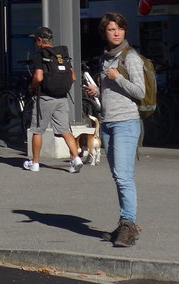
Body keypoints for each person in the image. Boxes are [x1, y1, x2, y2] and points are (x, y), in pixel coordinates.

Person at [84, 12, 146, 247]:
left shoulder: (130, 58)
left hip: (126, 123)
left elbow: (139, 92)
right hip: (109, 122)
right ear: (105, 33)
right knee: (118, 176)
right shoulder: (106, 58)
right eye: (111, 29)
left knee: (123, 176)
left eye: (120, 28)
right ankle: (124, 223)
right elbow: (112, 90)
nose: (116, 33)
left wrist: (118, 78)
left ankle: (128, 225)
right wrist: (98, 92)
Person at [23, 26, 82, 174]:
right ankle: (76, 158)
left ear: (40, 40)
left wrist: (33, 88)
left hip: (45, 97)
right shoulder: (61, 55)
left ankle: (35, 163)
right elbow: (73, 77)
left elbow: (38, 77)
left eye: (36, 40)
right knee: (64, 130)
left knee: (38, 130)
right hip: (62, 98)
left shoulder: (40, 55)